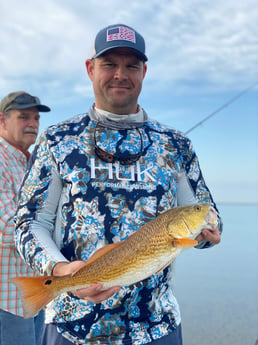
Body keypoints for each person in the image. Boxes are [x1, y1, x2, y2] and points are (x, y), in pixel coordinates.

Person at [14, 24, 222, 345]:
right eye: (110, 63)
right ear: (90, 68)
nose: (120, 74)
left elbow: (207, 216)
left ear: (144, 72)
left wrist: (208, 234)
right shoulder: (57, 140)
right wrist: (58, 269)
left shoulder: (176, 145)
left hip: (156, 327)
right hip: (73, 327)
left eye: (132, 65)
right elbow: (30, 222)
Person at [0, 91, 51, 345]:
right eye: (23, 117)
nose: (32, 123)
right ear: (2, 121)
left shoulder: (28, 163)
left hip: (33, 295)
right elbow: (8, 229)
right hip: (6, 300)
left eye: (35, 117)